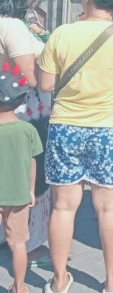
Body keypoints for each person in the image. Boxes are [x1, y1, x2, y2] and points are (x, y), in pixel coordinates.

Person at [37, 0, 113, 293]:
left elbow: (44, 84)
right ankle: (112, 280)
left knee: (62, 207)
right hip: (110, 131)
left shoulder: (61, 34)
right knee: (109, 209)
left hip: (66, 127)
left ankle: (58, 281)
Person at [0, 0, 50, 253]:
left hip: (6, 110)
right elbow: (30, 77)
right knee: (31, 179)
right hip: (26, 113)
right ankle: (27, 243)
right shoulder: (14, 27)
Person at [0, 62, 44, 293]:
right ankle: (19, 287)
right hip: (18, 196)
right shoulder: (28, 130)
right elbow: (32, 163)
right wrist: (30, 190)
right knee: (18, 244)